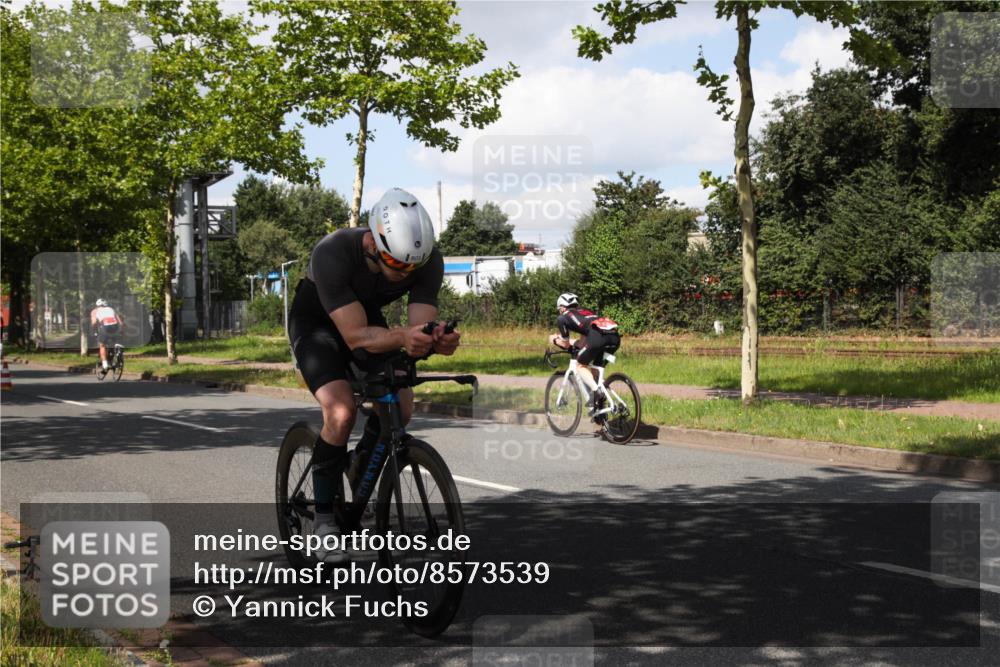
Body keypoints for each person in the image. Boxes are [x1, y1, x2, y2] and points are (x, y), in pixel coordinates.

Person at [288, 188, 460, 563]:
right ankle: (322, 522)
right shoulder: (333, 252)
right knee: (340, 411)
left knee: (402, 401)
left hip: (364, 319)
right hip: (317, 324)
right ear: (373, 243)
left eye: (412, 268)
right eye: (397, 265)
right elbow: (354, 337)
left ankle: (360, 463)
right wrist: (402, 337)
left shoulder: (425, 260)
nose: (405, 274)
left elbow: (418, 327)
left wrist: (435, 339)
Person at [549, 293, 621, 411]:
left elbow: (565, 344)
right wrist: (575, 344)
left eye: (559, 309)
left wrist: (555, 340)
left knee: (580, 365)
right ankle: (601, 408)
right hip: (614, 337)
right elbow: (582, 343)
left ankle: (597, 392)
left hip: (598, 337)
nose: (559, 311)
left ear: (562, 307)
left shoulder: (563, 318)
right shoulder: (585, 313)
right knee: (595, 370)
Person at [90, 299, 123, 374]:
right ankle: (117, 351)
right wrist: (121, 332)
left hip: (105, 327)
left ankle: (105, 365)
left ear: (97, 305)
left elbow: (94, 323)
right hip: (115, 327)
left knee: (102, 345)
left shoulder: (94, 311)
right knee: (114, 342)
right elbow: (120, 323)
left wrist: (94, 331)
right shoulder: (111, 309)